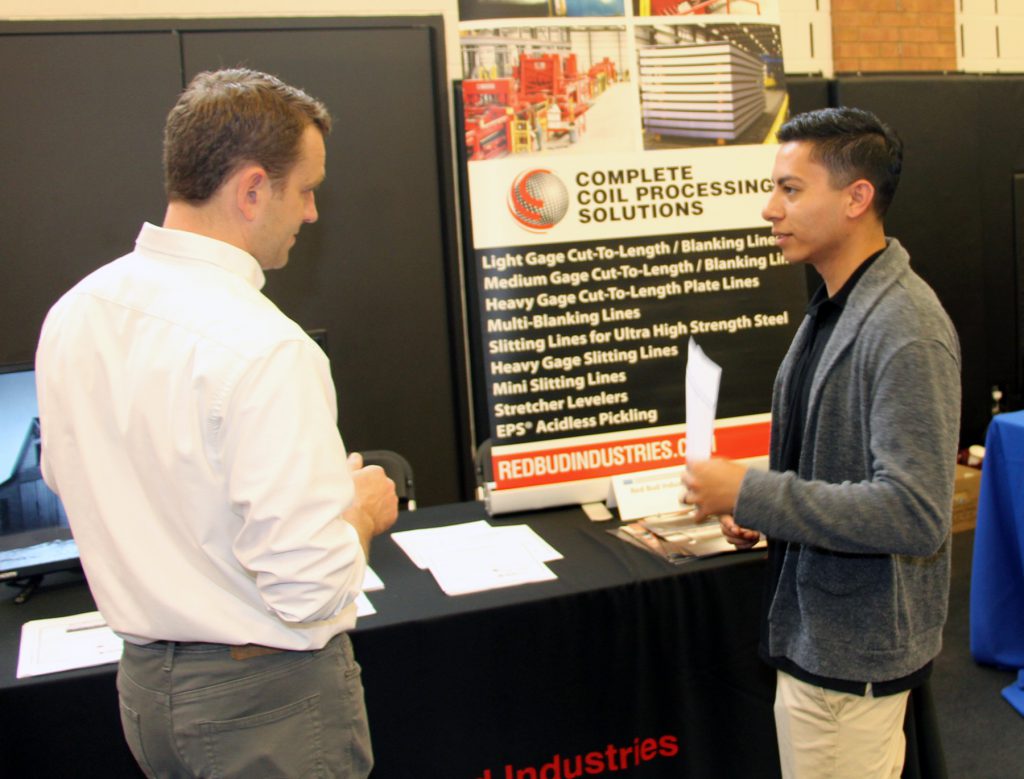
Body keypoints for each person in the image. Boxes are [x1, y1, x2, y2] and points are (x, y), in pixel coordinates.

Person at [35, 68, 398, 778]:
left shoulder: (77, 311)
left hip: (144, 691)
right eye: (305, 189)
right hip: (264, 703)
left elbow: (69, 478)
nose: (313, 212)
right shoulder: (265, 346)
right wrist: (357, 514)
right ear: (253, 189)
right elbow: (309, 586)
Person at [681, 107, 961, 778]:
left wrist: (754, 491)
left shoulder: (906, 327)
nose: (768, 209)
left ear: (856, 197)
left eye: (791, 188)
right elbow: (832, 463)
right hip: (818, 637)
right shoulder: (837, 305)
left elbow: (914, 512)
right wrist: (759, 505)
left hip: (851, 657)